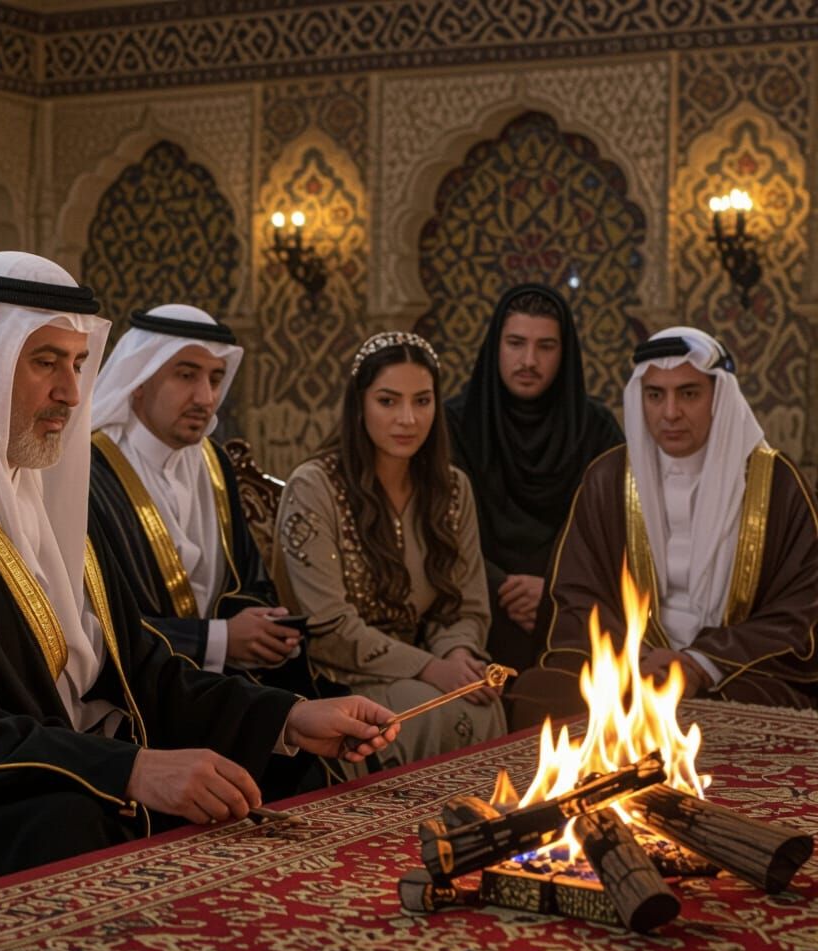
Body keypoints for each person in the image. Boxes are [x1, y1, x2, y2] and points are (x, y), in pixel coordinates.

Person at [0, 252, 398, 911]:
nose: (72, 393)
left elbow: (136, 664)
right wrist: (131, 771)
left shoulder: (33, 492)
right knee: (72, 823)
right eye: (45, 361)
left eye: (79, 364)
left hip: (54, 772)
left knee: (279, 766)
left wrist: (288, 717)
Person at [508, 326, 818, 729]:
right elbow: (576, 594)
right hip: (628, 667)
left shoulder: (775, 483)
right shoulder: (609, 477)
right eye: (655, 395)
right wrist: (631, 658)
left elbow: (802, 606)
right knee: (541, 691)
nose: (670, 412)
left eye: (688, 393)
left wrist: (699, 663)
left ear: (718, 398)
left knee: (748, 713)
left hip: (733, 673)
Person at [88, 303, 330, 795]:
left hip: (226, 684)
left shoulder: (214, 463)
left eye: (216, 378)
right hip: (141, 699)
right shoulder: (90, 471)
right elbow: (97, 618)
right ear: (139, 377)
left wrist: (262, 629)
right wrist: (217, 639)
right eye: (186, 375)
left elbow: (250, 579)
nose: (206, 397)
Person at [273, 331, 506, 772]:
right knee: (429, 707)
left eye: (422, 401)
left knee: (478, 700)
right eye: (388, 401)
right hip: (338, 680)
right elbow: (330, 628)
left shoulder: (452, 489)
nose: (407, 419)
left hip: (428, 666)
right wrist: (430, 669)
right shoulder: (315, 486)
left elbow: (466, 605)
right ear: (359, 405)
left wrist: (456, 656)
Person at [445, 284, 623, 673]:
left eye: (545, 346)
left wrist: (553, 588)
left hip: (571, 600)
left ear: (565, 352)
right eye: (515, 343)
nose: (529, 360)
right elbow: (445, 528)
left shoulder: (595, 429)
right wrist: (506, 591)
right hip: (476, 599)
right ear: (496, 346)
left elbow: (612, 530)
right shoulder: (453, 424)